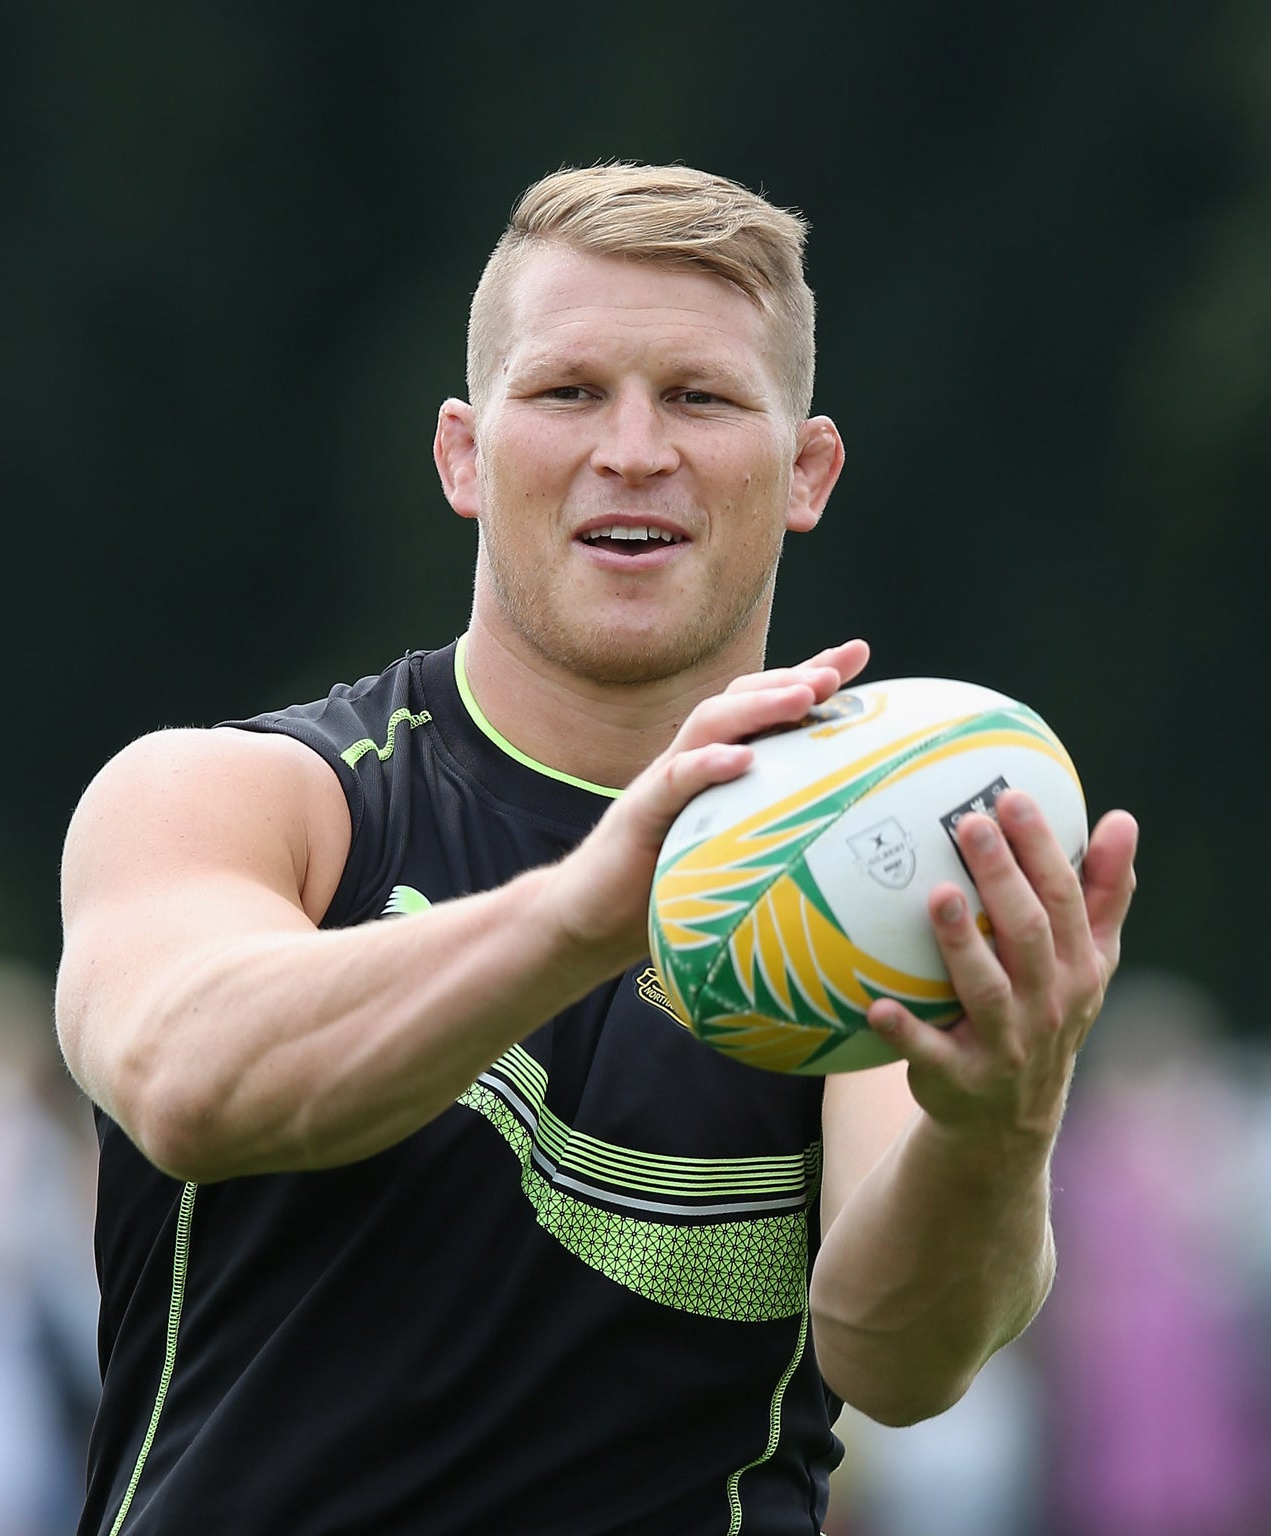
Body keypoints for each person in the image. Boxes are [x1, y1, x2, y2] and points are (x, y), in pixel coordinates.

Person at [55, 163, 1139, 1536]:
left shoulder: (877, 872)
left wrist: (1003, 1120)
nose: (633, 449)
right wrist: (590, 909)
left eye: (699, 397)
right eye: (569, 393)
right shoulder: (252, 798)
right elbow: (187, 1078)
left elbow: (903, 1358)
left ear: (806, 472)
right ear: (465, 453)